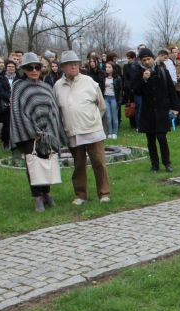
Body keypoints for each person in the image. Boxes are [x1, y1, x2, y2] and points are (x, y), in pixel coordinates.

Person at [9, 52, 67, 212]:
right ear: (24, 70)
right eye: (30, 68)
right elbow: (17, 111)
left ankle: (47, 193)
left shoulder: (46, 86)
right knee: (33, 164)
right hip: (29, 133)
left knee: (46, 161)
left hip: (47, 131)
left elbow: (53, 110)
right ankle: (37, 198)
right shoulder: (19, 87)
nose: (34, 70)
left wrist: (49, 130)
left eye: (37, 67)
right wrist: (33, 131)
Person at [54, 50, 111, 205]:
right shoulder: (57, 86)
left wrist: (92, 119)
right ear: (63, 67)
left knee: (99, 163)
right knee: (78, 165)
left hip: (92, 129)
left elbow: (101, 106)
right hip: (72, 131)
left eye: (76, 64)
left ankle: (104, 193)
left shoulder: (89, 81)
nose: (74, 66)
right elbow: (57, 110)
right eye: (69, 64)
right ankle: (80, 195)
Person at [131, 48, 179, 173]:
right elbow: (136, 91)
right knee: (150, 139)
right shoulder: (139, 73)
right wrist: (144, 80)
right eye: (144, 60)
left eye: (148, 59)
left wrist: (175, 108)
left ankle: (167, 163)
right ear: (141, 61)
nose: (147, 62)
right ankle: (154, 164)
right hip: (148, 111)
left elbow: (171, 89)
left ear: (153, 58)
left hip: (162, 109)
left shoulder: (162, 70)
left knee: (162, 137)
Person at [0, 59, 16, 149]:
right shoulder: (0, 78)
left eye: (13, 67)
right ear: (6, 68)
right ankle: (6, 142)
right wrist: (9, 97)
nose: (11, 68)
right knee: (7, 125)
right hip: (5, 105)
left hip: (17, 104)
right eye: (9, 66)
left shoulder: (19, 78)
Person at [99, 61, 123, 139]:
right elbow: (101, 88)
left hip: (114, 99)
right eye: (106, 67)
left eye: (109, 67)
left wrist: (119, 100)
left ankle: (114, 133)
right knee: (108, 117)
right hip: (106, 98)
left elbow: (120, 90)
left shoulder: (118, 78)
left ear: (113, 68)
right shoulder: (103, 78)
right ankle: (110, 132)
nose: (107, 69)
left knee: (114, 116)